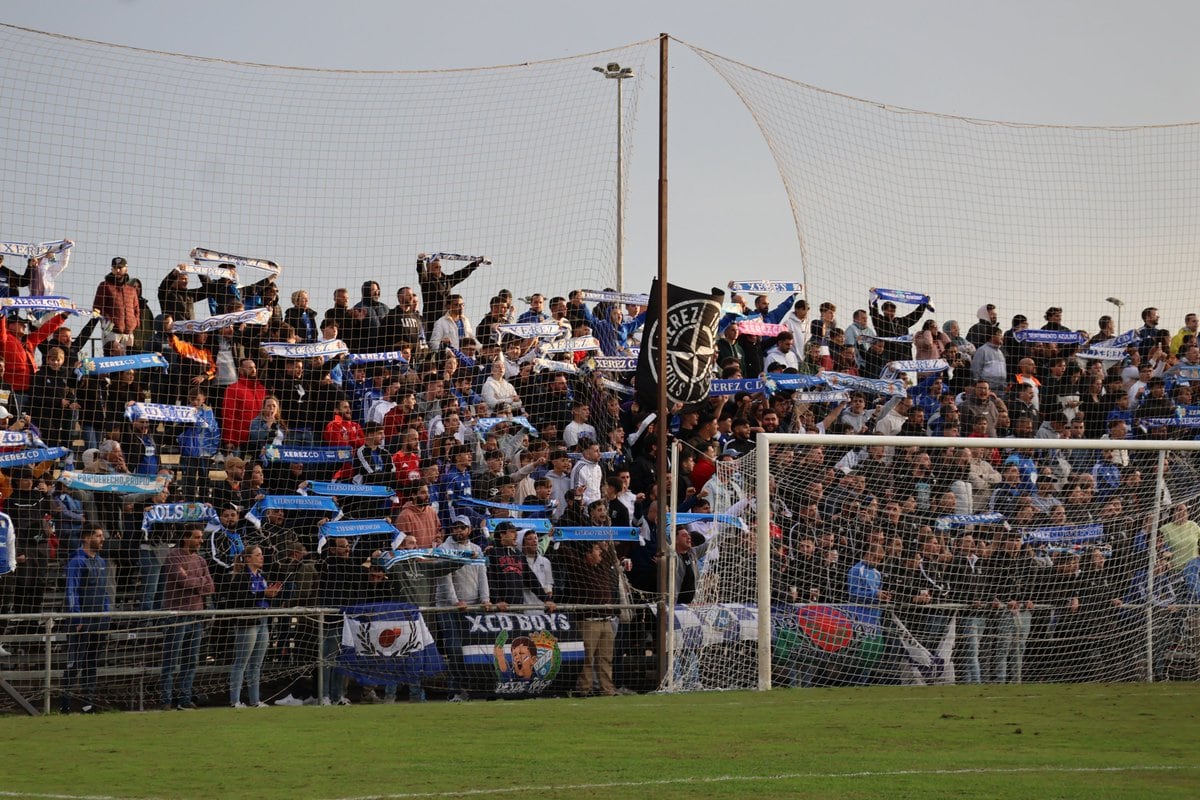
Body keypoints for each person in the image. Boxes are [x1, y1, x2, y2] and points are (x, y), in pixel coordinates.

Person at [160, 526, 215, 710]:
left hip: (196, 616)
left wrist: (193, 580)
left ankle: (185, 698)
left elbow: (210, 587)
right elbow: (182, 581)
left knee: (191, 660)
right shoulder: (173, 556)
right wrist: (199, 582)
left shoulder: (201, 560)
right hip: (177, 615)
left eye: (201, 537)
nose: (201, 541)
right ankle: (166, 700)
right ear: (186, 538)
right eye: (197, 537)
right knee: (171, 660)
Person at [224, 545, 282, 707]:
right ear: (248, 558)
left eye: (262, 555)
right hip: (248, 621)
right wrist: (263, 594)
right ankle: (235, 700)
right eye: (257, 555)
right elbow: (241, 599)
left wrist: (271, 594)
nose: (261, 558)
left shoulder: (261, 577)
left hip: (262, 620)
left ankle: (255, 700)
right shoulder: (242, 577)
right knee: (241, 662)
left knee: (256, 663)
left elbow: (262, 597)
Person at [61, 526, 110, 714]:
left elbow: (104, 592)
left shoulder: (101, 561)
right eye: (98, 535)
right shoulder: (76, 562)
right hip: (81, 622)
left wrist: (107, 614)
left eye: (102, 535)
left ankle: (88, 704)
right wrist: (77, 616)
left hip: (98, 620)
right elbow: (71, 591)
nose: (102, 539)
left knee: (92, 663)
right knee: (75, 663)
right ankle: (65, 704)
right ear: (87, 537)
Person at [92, 256, 141, 348]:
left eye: (120, 268)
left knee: (129, 360)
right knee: (112, 358)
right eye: (115, 268)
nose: (117, 270)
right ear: (112, 269)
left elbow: (136, 309)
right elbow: (97, 308)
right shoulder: (104, 286)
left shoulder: (131, 289)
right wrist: (108, 324)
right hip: (111, 332)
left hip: (129, 332)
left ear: (126, 269)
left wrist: (136, 323)